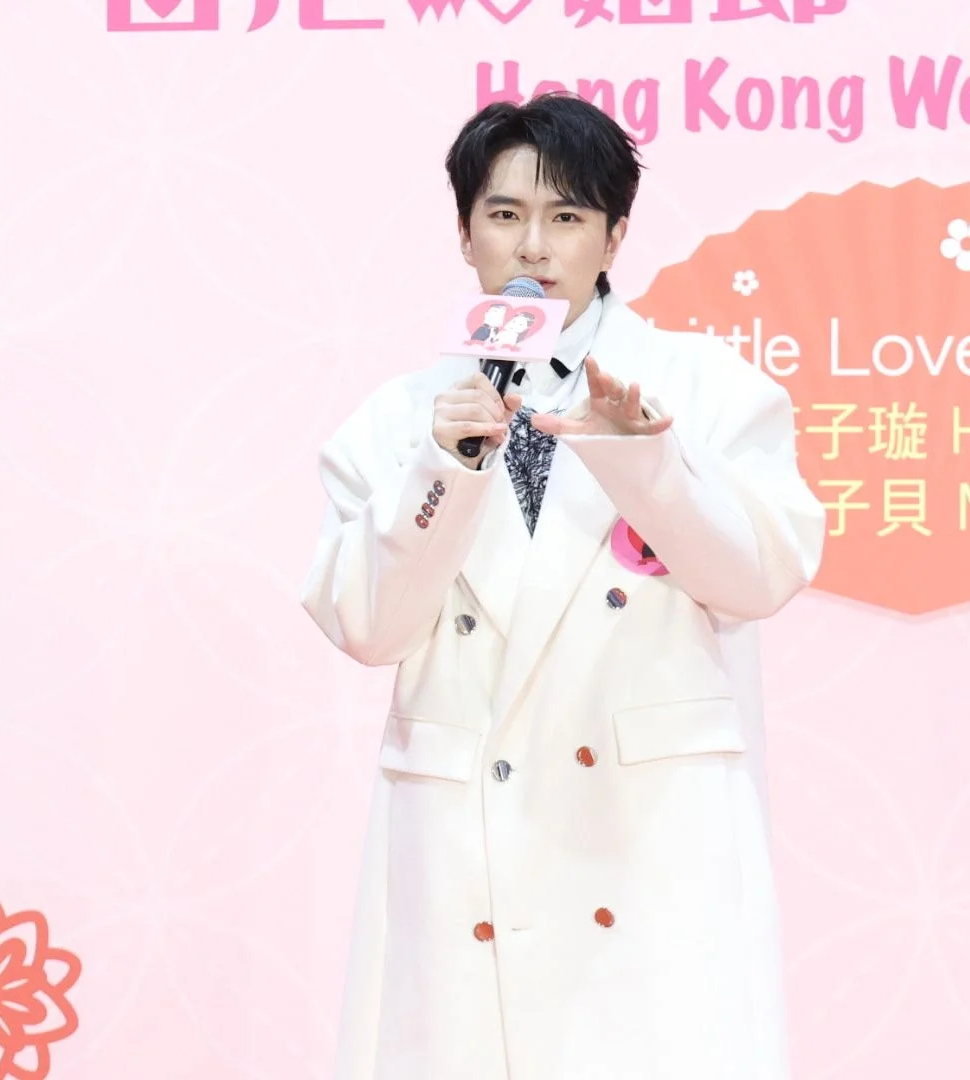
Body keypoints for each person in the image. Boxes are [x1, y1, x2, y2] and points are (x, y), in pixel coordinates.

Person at [300, 91, 826, 1080]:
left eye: (568, 216)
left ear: (614, 235)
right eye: (504, 214)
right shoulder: (397, 421)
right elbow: (368, 628)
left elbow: (760, 579)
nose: (534, 247)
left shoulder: (707, 389)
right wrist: (443, 469)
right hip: (465, 855)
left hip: (648, 842)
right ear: (466, 235)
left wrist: (650, 466)